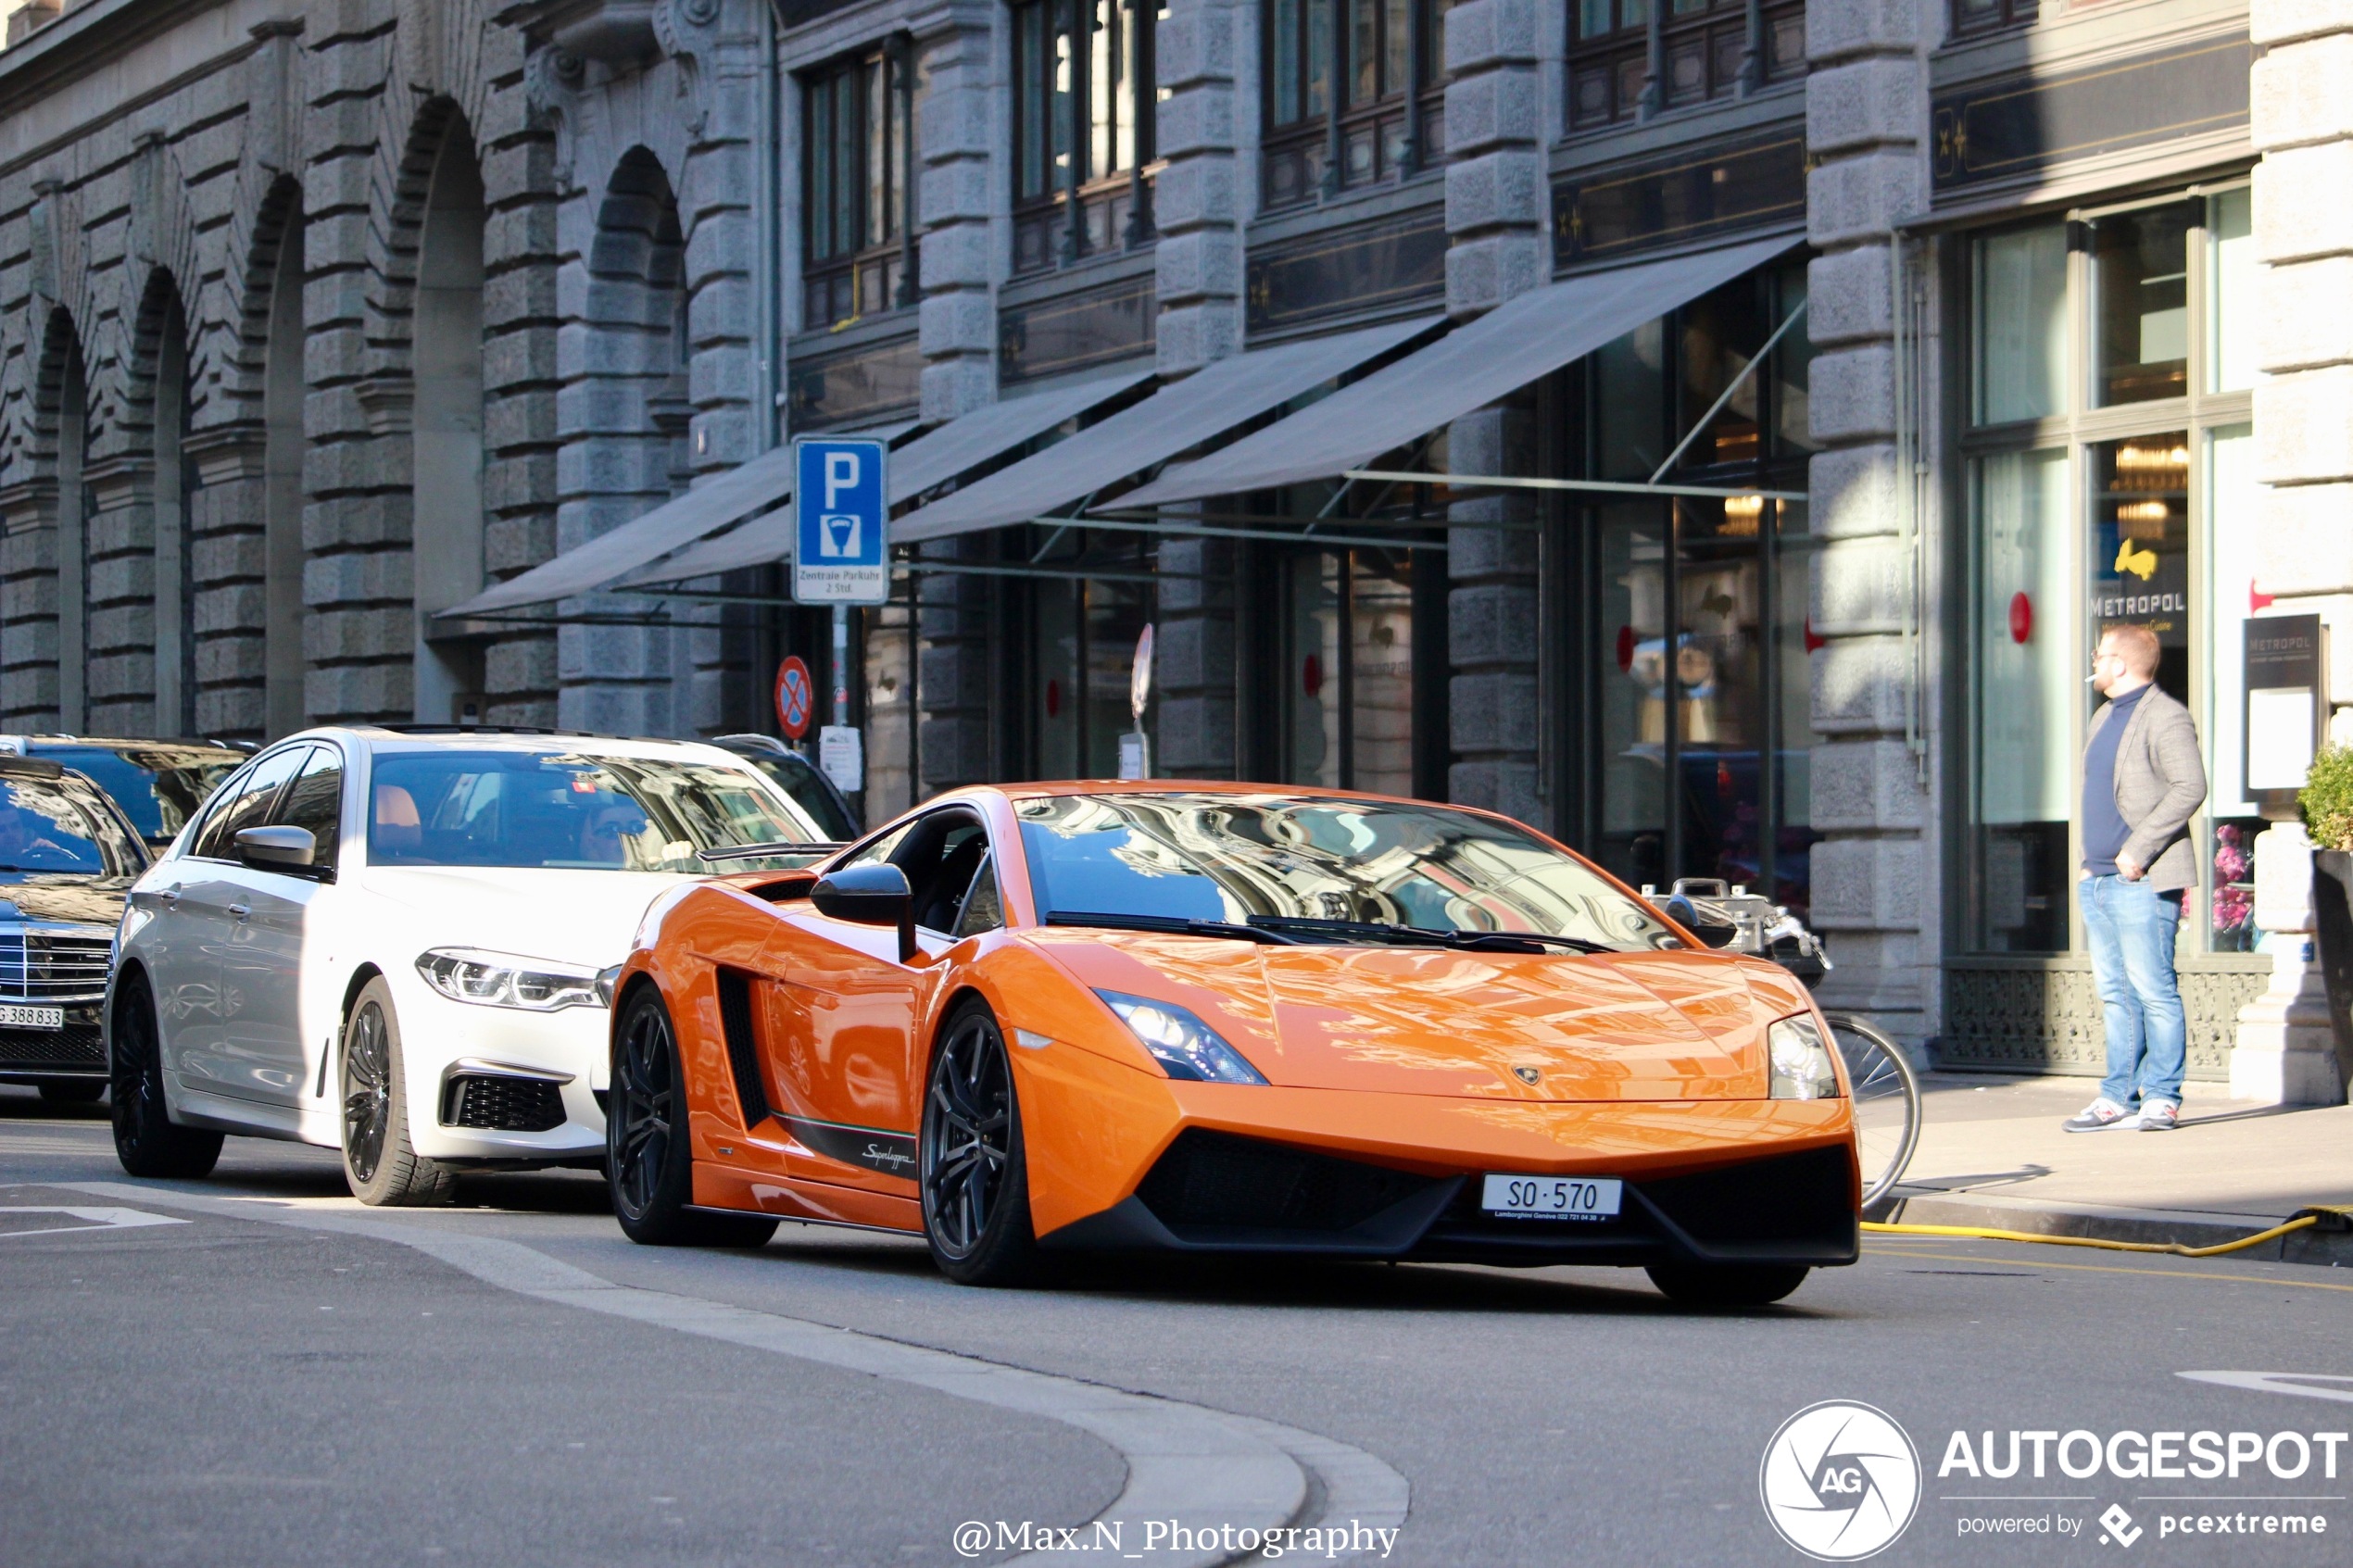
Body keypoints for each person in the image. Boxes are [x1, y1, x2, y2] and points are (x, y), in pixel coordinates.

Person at [2064, 623, 2208, 1134]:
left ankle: (2163, 1097)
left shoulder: (2165, 716)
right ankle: (2116, 1096)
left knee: (2153, 990)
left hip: (2141, 878)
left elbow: (2191, 786)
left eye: (2099, 655)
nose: (2094, 663)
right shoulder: (2104, 716)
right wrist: (2089, 861)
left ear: (2120, 663)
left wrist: (2136, 852)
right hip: (2098, 879)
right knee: (2115, 994)